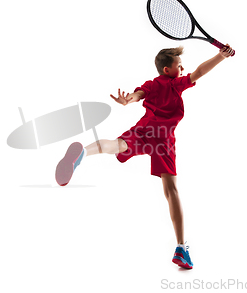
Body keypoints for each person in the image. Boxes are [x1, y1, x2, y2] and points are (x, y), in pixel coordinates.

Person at [55, 45, 234, 269]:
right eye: (179, 66)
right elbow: (198, 72)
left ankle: (84, 152)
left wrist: (127, 100)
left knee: (117, 145)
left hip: (144, 130)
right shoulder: (174, 84)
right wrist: (220, 56)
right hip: (163, 140)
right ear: (168, 70)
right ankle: (181, 247)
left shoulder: (153, 83)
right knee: (172, 192)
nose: (183, 69)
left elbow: (138, 94)